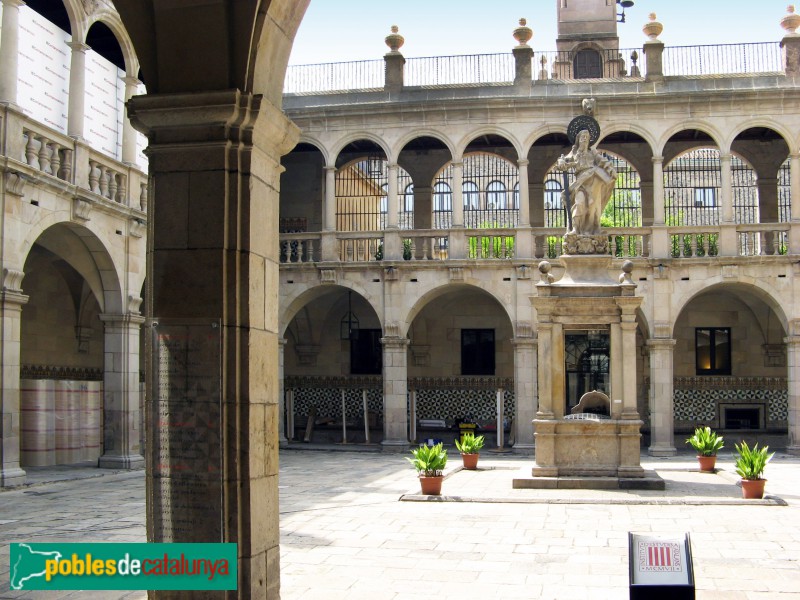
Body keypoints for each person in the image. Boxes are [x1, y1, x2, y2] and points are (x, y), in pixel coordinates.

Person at [557, 129, 617, 235]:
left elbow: (603, 162)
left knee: (592, 208)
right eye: (582, 137)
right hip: (580, 182)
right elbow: (563, 160)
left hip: (593, 181)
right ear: (578, 139)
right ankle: (576, 229)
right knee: (579, 203)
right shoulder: (574, 153)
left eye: (587, 137)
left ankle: (591, 230)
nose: (584, 139)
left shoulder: (592, 153)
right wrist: (561, 162)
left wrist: (611, 170)